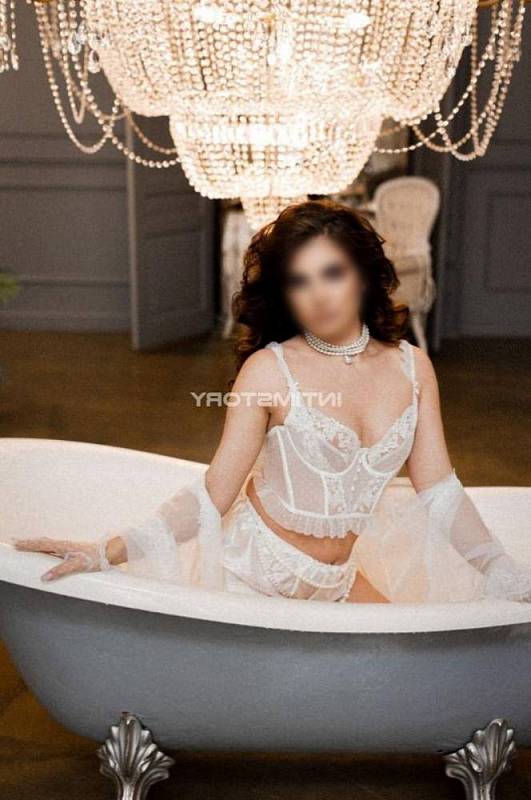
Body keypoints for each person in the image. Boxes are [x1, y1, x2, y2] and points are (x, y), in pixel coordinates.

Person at [13, 200, 531, 604]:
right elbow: (214, 492)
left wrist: (499, 567)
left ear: (362, 274)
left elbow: (438, 488)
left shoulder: (413, 367)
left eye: (333, 273)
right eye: (300, 281)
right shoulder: (269, 369)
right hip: (252, 572)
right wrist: (105, 552)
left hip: (337, 578)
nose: (319, 295)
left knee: (409, 668)